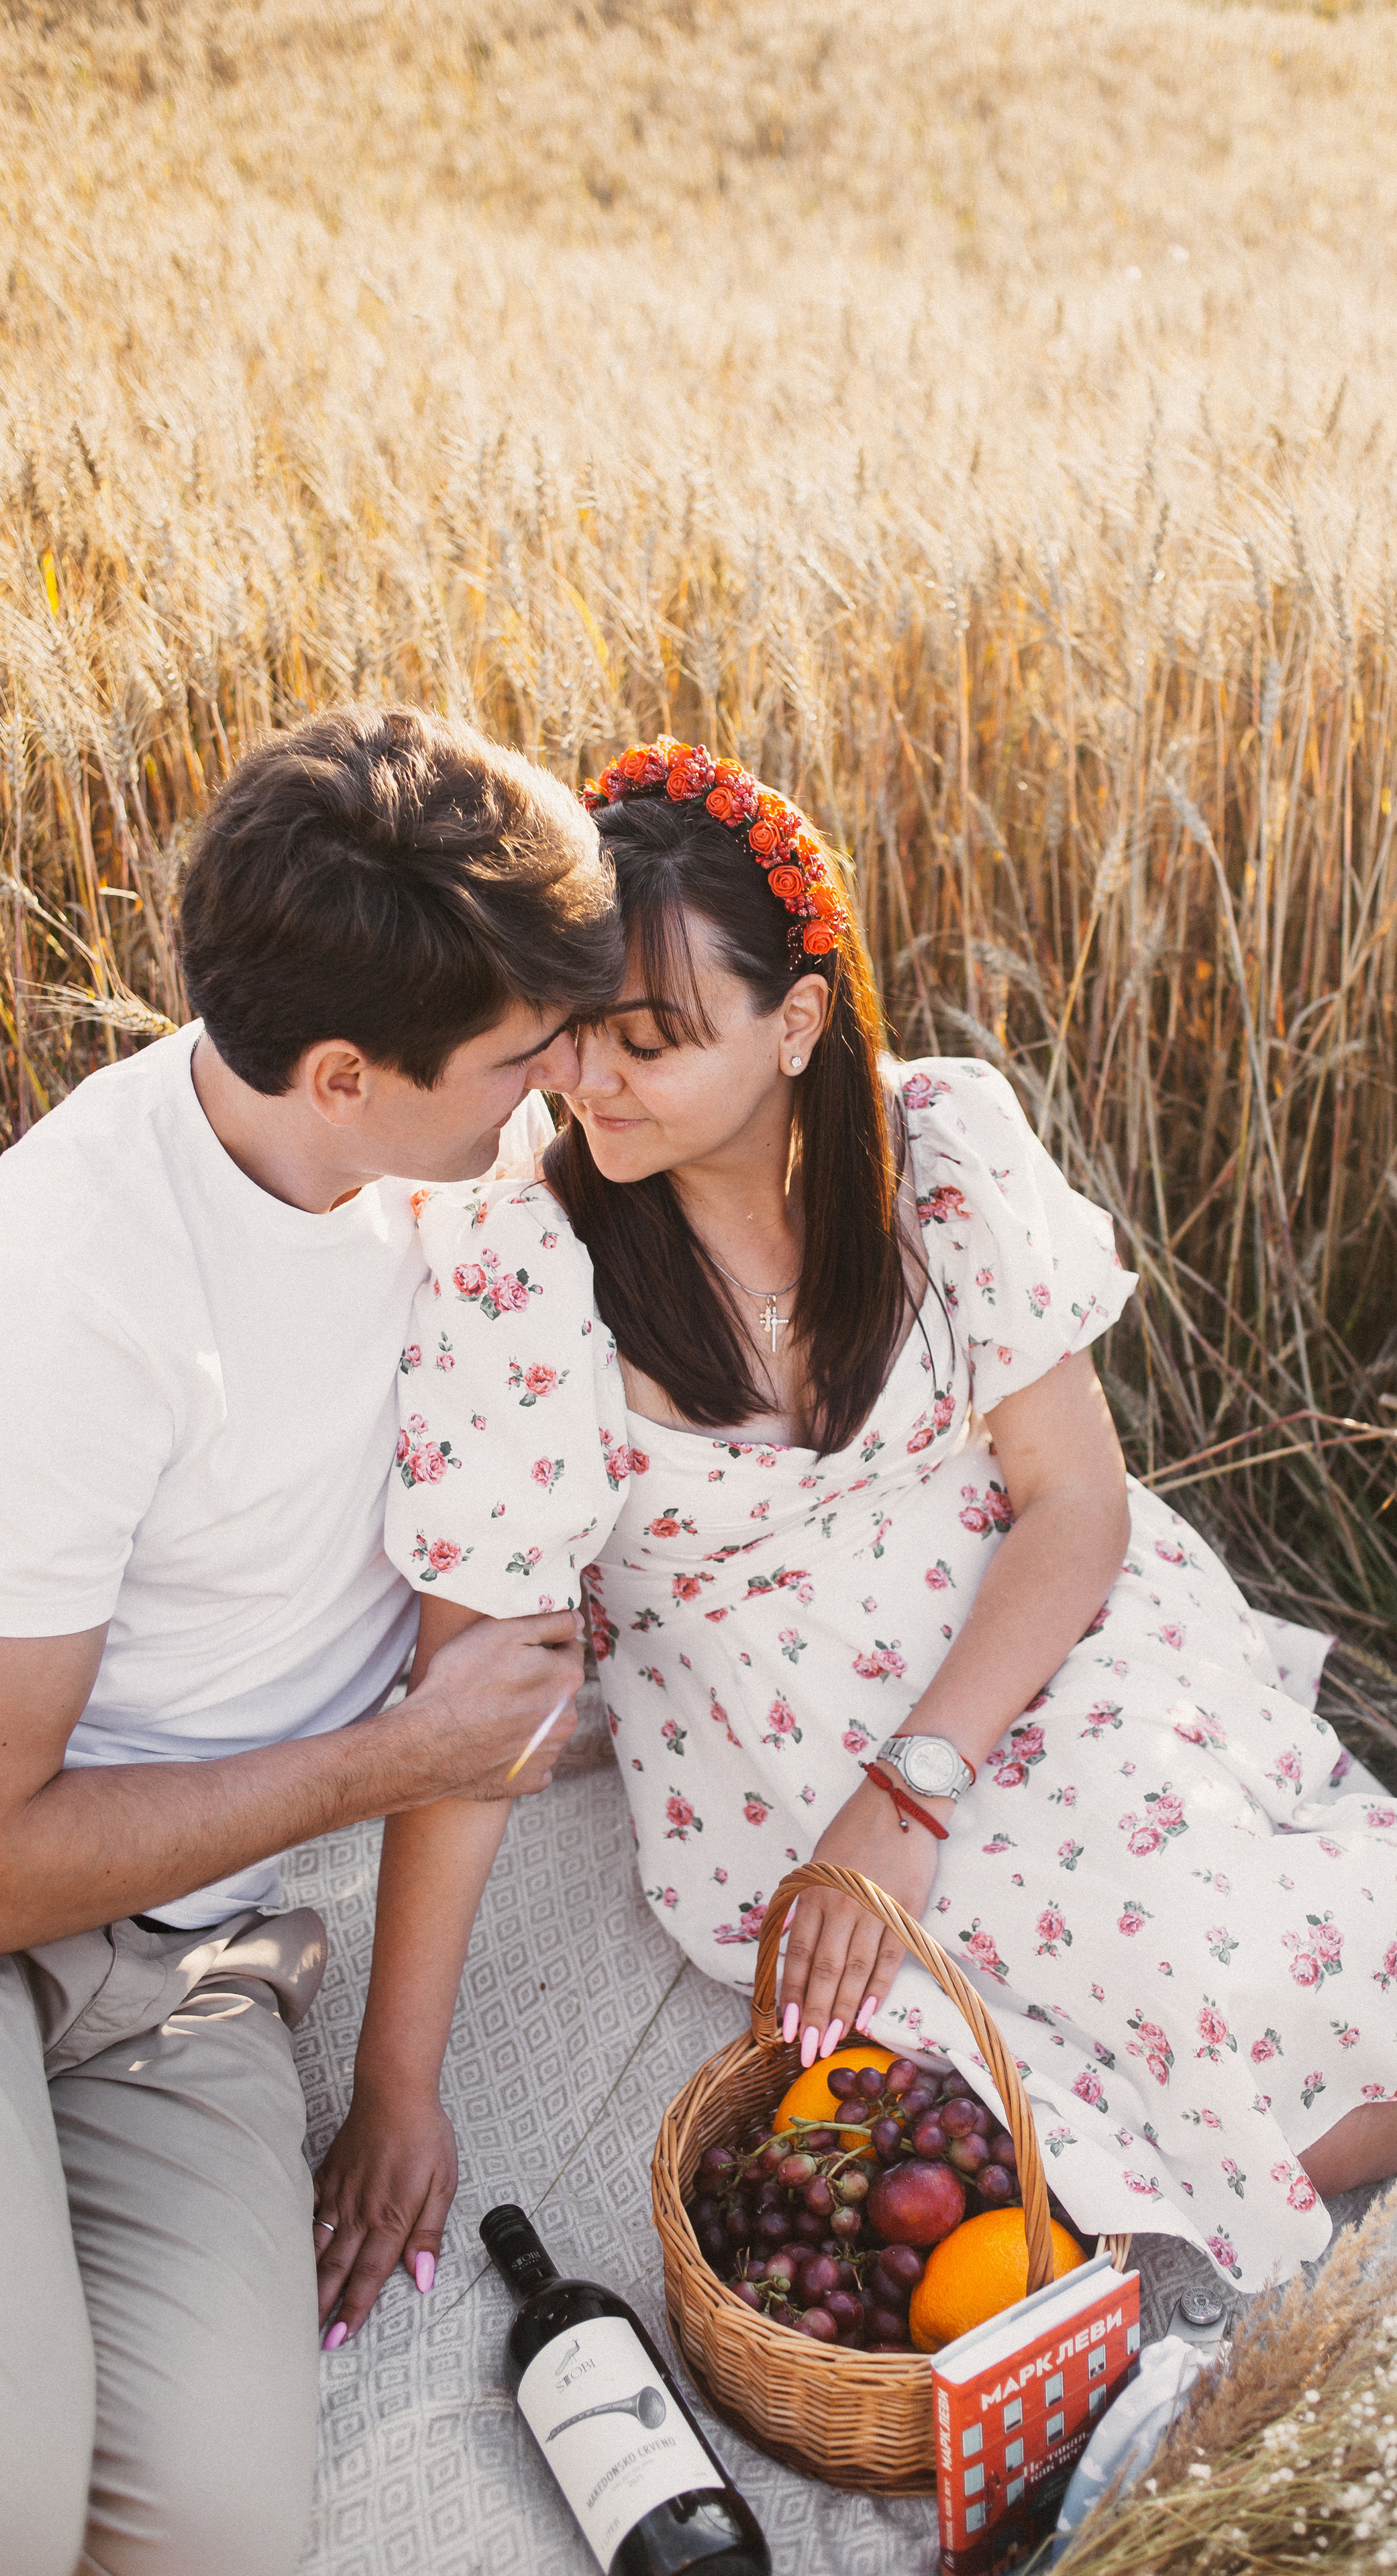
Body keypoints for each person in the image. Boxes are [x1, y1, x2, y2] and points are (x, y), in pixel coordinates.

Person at [313, 734, 1397, 2340]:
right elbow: (468, 1699)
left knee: (1203, 1958)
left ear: (795, 1024)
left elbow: (1073, 1499)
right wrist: (397, 2085)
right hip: (763, 1748)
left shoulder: (941, 1154)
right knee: (1142, 2148)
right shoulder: (524, 1266)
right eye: (573, 1035)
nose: (587, 1082)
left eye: (650, 1040)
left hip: (1022, 1629)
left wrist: (916, 1784)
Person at [0, 705, 622, 2576]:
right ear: (343, 1073)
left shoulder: (479, 1221)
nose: (561, 1085)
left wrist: (399, 2084)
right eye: (522, 1058)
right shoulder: (78, 1297)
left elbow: (481, 1667)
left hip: (184, 1975)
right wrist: (377, 1763)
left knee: (206, 2534)